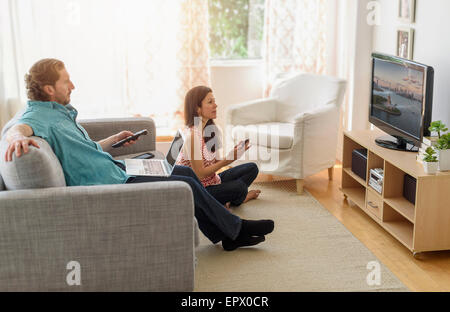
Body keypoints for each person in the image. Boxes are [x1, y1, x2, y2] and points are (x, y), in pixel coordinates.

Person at [3, 58, 274, 251]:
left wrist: (112, 140)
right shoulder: (39, 115)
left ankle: (226, 235)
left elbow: (85, 151)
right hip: (109, 184)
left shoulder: (60, 114)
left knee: (186, 172)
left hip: (116, 169)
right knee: (188, 182)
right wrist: (15, 136)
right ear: (49, 89)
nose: (72, 85)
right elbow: (19, 127)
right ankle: (235, 230)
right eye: (66, 81)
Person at [176, 86, 261, 210]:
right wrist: (227, 161)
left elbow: (212, 160)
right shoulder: (192, 136)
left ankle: (226, 201)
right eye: (210, 102)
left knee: (252, 168)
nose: (215, 105)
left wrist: (232, 155)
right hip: (200, 190)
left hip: (212, 180)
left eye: (214, 101)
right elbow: (199, 175)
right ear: (197, 108)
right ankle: (237, 199)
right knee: (240, 188)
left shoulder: (210, 130)